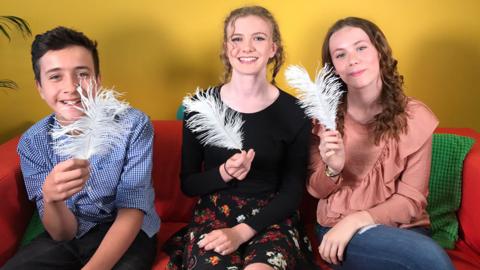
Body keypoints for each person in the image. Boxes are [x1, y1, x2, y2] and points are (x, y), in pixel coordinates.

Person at [164, 6, 315, 270]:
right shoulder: (199, 106)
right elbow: (189, 184)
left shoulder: (296, 112)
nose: (247, 47)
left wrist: (241, 233)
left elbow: (292, 193)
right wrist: (224, 172)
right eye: (237, 38)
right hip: (214, 216)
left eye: (258, 38)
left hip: (271, 218)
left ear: (273, 48)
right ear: (226, 47)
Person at [2, 26, 160, 270]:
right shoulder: (33, 142)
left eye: (82, 74)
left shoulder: (134, 125)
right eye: (55, 76)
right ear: (40, 88)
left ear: (97, 80)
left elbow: (132, 209)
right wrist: (52, 199)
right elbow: (63, 234)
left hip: (128, 233)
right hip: (72, 234)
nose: (71, 87)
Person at [307, 17, 454, 270]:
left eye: (361, 47)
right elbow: (316, 191)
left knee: (426, 255)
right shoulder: (323, 119)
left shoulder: (415, 118)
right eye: (340, 55)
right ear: (334, 68)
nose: (352, 59)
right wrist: (333, 168)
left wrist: (357, 220)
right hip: (338, 231)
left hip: (402, 229)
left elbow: (411, 200)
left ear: (379, 52)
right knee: (429, 258)